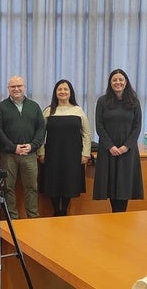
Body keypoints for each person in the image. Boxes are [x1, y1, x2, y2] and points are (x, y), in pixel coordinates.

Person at [37, 80, 91, 216]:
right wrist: (41, 152)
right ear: (55, 93)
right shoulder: (48, 111)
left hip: (72, 155)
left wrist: (85, 154)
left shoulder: (78, 110)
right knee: (53, 183)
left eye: (66, 89)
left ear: (70, 92)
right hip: (52, 154)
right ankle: (56, 211)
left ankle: (64, 211)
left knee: (69, 183)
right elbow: (40, 134)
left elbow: (86, 133)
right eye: (59, 89)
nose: (63, 92)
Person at [0, 75, 45, 219]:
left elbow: (41, 129)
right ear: (8, 89)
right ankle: (12, 219)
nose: (16, 89)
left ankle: (33, 217)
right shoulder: (0, 107)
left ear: (25, 87)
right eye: (12, 87)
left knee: (32, 187)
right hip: (8, 155)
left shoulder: (34, 106)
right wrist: (13, 147)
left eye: (19, 86)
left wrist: (32, 146)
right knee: (7, 187)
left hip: (29, 155)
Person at [93, 69, 144, 212]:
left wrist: (126, 146)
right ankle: (115, 215)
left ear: (126, 82)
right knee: (111, 184)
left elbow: (137, 125)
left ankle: (120, 215)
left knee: (124, 185)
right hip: (108, 150)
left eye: (121, 79)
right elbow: (99, 125)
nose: (118, 82)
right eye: (114, 80)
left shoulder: (134, 101)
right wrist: (110, 146)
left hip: (127, 151)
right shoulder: (103, 101)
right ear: (110, 83)